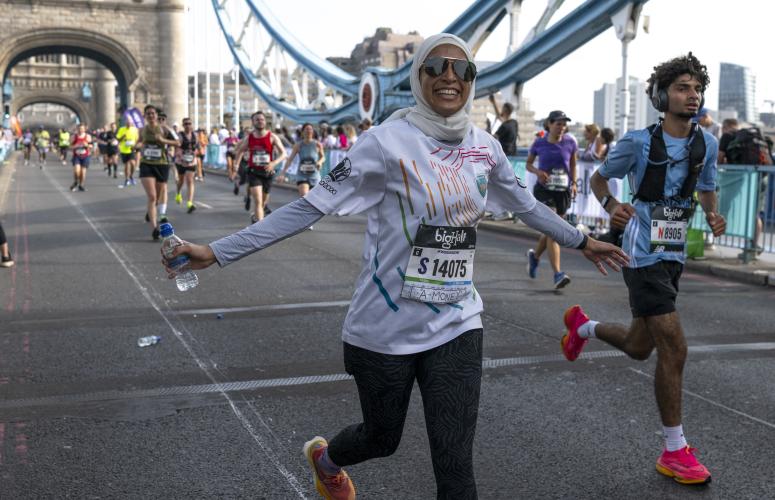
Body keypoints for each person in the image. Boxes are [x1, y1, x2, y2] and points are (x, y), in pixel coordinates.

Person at [162, 33, 627, 500]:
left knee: (456, 469)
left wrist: (583, 239)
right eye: (436, 67)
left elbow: (526, 205)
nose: (450, 77)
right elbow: (308, 209)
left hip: (458, 321)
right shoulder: (383, 144)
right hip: (383, 328)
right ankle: (326, 460)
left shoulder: (485, 148)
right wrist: (218, 251)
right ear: (418, 76)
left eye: (462, 70)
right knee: (381, 439)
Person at [563, 52, 726, 486]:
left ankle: (583, 327)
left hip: (673, 256)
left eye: (696, 89)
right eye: (682, 88)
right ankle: (674, 450)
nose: (692, 96)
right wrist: (613, 206)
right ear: (662, 95)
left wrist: (712, 214)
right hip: (641, 255)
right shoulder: (637, 142)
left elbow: (706, 188)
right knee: (674, 347)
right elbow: (599, 180)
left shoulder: (706, 143)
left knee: (640, 346)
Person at [525, 110, 578, 289]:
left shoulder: (571, 142)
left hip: (562, 191)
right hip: (544, 190)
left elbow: (573, 163)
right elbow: (528, 164)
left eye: (564, 124)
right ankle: (557, 274)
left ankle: (535, 257)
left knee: (551, 231)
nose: (562, 127)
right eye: (558, 124)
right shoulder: (539, 143)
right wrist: (538, 172)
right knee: (554, 229)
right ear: (549, 124)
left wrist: (574, 183)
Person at [135, 105, 180, 240]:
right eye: (148, 114)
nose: (151, 115)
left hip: (161, 164)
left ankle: (152, 211)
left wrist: (163, 140)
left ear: (156, 115)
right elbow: (138, 143)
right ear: (145, 116)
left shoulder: (165, 129)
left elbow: (178, 142)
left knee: (159, 196)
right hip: (147, 164)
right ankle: (155, 228)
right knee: (153, 196)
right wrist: (136, 146)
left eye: (152, 113)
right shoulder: (142, 130)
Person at [233, 111, 286, 223]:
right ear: (253, 122)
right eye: (257, 119)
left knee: (263, 202)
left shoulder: (272, 137)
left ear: (265, 121)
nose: (260, 121)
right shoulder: (249, 138)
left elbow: (284, 154)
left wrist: (273, 163)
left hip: (268, 172)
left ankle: (256, 216)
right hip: (254, 172)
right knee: (257, 200)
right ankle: (260, 228)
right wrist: (236, 166)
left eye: (262, 119)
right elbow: (240, 152)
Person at [277, 122, 325, 198]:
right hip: (302, 175)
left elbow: (323, 157)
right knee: (305, 197)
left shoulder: (318, 144)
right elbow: (290, 159)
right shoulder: (298, 145)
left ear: (313, 131)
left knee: (314, 199)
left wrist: (319, 162)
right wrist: (282, 173)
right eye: (307, 129)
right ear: (302, 132)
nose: (309, 131)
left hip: (314, 175)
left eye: (310, 129)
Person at [174, 118, 199, 214]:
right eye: (186, 124)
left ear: (192, 125)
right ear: (183, 125)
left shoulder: (195, 135)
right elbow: (177, 146)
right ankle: (178, 193)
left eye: (189, 123)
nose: (188, 125)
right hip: (181, 161)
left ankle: (190, 203)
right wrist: (180, 155)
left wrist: (194, 154)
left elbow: (196, 147)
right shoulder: (180, 135)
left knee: (190, 180)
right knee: (181, 180)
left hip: (191, 161)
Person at [69, 123, 93, 192]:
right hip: (77, 156)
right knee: (77, 171)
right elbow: (69, 147)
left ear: (84, 129)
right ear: (77, 129)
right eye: (79, 129)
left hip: (85, 156)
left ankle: (81, 185)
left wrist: (87, 145)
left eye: (82, 129)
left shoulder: (88, 136)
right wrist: (75, 146)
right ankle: (76, 181)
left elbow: (91, 146)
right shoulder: (74, 136)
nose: (80, 130)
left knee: (83, 172)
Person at [117, 120, 139, 187]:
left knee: (133, 163)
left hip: (132, 149)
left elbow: (137, 139)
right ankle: (127, 179)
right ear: (125, 123)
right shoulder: (121, 129)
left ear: (132, 124)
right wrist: (122, 137)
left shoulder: (135, 129)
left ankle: (131, 176)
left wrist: (136, 145)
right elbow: (118, 139)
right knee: (127, 164)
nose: (129, 124)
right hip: (124, 150)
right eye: (127, 123)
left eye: (130, 123)